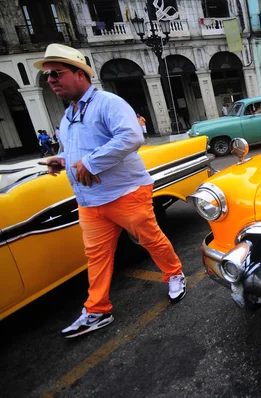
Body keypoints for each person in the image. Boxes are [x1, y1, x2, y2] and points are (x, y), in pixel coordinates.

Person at [35, 43, 186, 339]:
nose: (51, 80)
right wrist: (61, 160)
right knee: (97, 257)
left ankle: (175, 273)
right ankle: (97, 310)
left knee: (150, 239)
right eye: (48, 76)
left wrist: (90, 162)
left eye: (56, 73)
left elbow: (131, 136)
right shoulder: (68, 116)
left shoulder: (108, 102)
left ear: (80, 74)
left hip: (126, 192)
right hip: (90, 202)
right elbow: (78, 152)